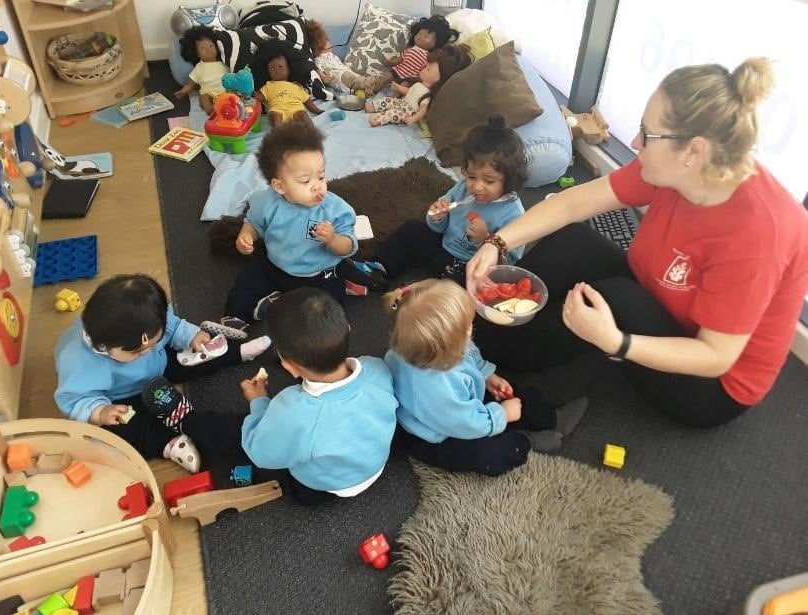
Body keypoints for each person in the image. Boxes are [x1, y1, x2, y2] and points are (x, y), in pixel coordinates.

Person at [467, 57, 808, 428]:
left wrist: (615, 342)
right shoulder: (680, 170)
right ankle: (482, 324)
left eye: (647, 134)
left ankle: (491, 352)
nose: (633, 142)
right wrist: (496, 244)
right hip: (663, 298)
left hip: (711, 385)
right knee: (573, 239)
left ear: (694, 151)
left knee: (611, 298)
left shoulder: (758, 234)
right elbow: (574, 203)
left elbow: (716, 356)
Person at [54, 274, 272, 472]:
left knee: (195, 353)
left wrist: (191, 336)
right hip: (120, 396)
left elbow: (173, 326)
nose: (146, 351)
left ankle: (238, 352)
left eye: (151, 342)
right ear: (104, 346)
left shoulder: (150, 322)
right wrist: (100, 411)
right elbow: (75, 399)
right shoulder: (78, 363)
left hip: (161, 363)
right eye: (137, 351)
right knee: (121, 430)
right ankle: (168, 444)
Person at [384, 279, 588, 476]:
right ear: (446, 350)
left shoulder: (421, 346)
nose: (471, 328)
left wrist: (487, 375)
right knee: (489, 455)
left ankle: (552, 417)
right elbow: (465, 422)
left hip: (460, 398)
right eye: (467, 327)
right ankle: (525, 441)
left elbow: (469, 352)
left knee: (515, 393)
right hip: (438, 433)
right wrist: (501, 415)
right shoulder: (435, 388)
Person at [240, 287, 399, 505]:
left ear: (289, 366)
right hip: (376, 463)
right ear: (349, 330)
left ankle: (188, 422)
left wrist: (258, 403)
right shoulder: (377, 368)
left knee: (234, 429)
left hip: (325, 487)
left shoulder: (293, 410)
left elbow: (260, 452)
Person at [201, 122, 357, 340]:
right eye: (305, 180)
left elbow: (349, 246)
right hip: (275, 265)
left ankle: (332, 325)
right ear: (279, 186)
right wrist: (246, 236)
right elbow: (253, 222)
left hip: (319, 273)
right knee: (246, 281)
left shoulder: (335, 210)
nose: (317, 186)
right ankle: (236, 317)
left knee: (329, 301)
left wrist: (333, 239)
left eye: (321, 177)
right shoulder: (267, 202)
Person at [344, 114, 527, 290]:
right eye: (472, 176)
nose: (477, 187)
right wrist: (437, 217)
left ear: (510, 179)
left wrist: (485, 240)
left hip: (469, 266)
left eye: (489, 181)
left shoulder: (513, 213)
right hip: (443, 247)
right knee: (412, 230)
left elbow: (508, 264)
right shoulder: (462, 188)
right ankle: (378, 270)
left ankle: (443, 296)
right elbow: (437, 228)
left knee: (471, 287)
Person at [365, 44, 471, 128]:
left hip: (408, 111)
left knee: (392, 114)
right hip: (403, 102)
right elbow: (410, 91)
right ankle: (372, 106)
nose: (424, 70)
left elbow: (423, 109)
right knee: (388, 100)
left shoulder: (427, 94)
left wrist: (414, 118)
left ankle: (378, 120)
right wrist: (398, 88)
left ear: (440, 78)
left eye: (428, 69)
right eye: (426, 66)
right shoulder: (419, 84)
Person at [372, 15, 458, 93]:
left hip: (410, 78)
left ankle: (392, 102)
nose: (420, 36)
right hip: (397, 70)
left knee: (401, 88)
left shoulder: (430, 57)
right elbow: (399, 59)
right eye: (419, 33)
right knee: (384, 78)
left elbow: (427, 71)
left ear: (436, 43)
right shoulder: (410, 49)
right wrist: (390, 62)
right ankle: (372, 90)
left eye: (426, 36)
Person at [306, 19, 378, 96]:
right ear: (321, 47)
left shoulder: (331, 54)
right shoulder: (319, 58)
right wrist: (323, 77)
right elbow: (317, 68)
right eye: (327, 41)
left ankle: (366, 88)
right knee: (355, 80)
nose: (330, 43)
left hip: (346, 74)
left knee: (356, 78)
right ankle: (366, 84)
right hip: (338, 77)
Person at [256, 50, 325, 127]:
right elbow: (258, 97)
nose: (277, 70)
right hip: (278, 109)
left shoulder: (297, 86)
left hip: (296, 109)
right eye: (272, 69)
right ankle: (279, 134)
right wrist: (249, 94)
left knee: (304, 116)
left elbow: (308, 101)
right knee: (274, 117)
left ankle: (310, 132)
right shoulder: (268, 85)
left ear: (289, 69)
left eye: (280, 67)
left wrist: (317, 110)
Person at [175, 26, 229, 114]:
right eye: (202, 48)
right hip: (209, 93)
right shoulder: (199, 68)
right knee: (203, 98)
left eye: (211, 45)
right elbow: (190, 84)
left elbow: (232, 75)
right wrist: (183, 91)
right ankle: (212, 112)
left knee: (234, 93)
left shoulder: (224, 62)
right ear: (197, 54)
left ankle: (230, 108)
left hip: (225, 91)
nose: (208, 49)